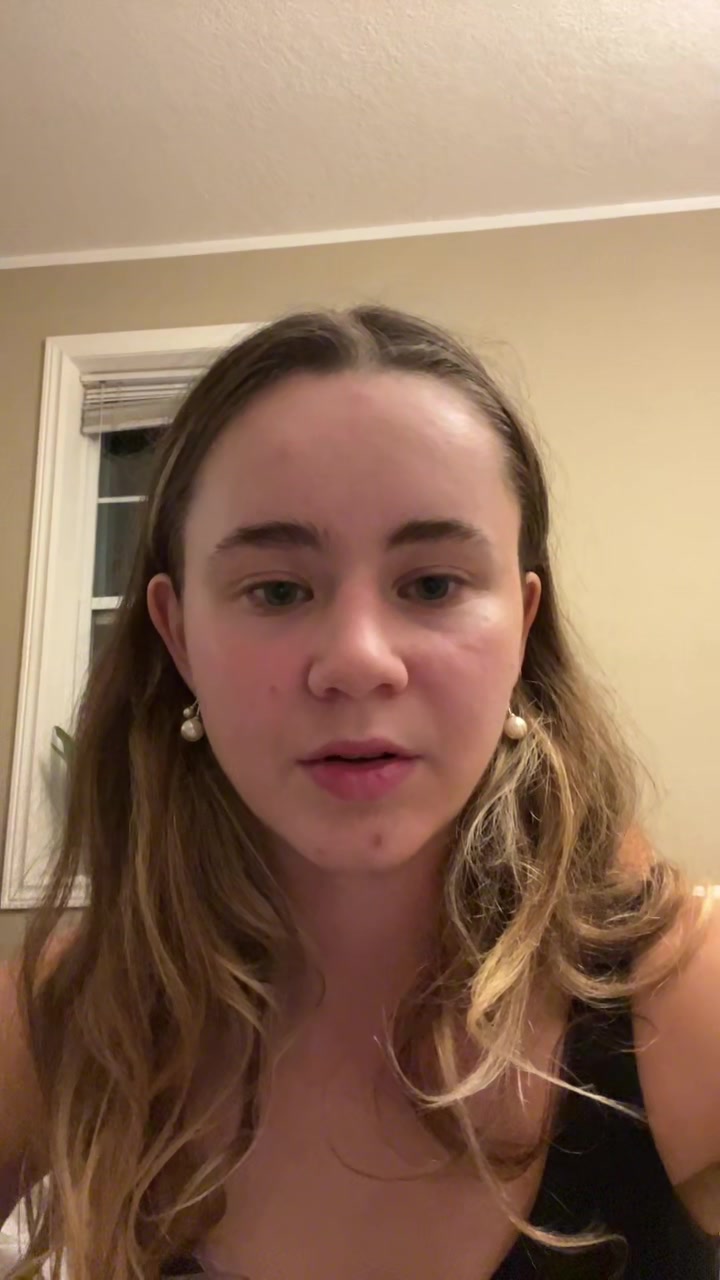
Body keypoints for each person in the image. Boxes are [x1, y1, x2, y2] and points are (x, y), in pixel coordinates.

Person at [0, 306, 718, 1280]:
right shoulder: (62, 1016)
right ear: (179, 636)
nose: (357, 660)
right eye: (277, 590)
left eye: (432, 585)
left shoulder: (683, 998)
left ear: (521, 626)